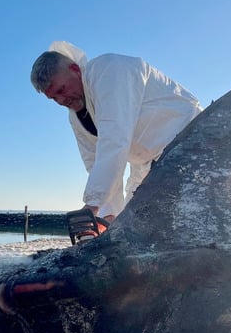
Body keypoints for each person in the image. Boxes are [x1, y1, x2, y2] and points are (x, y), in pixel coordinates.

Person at [30, 41, 202, 222]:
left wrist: (92, 205)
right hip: (147, 163)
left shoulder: (109, 70)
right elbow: (96, 163)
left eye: (61, 90)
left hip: (191, 139)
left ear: (75, 69)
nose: (61, 100)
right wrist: (108, 214)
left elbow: (114, 138)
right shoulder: (75, 116)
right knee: (132, 219)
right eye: (53, 98)